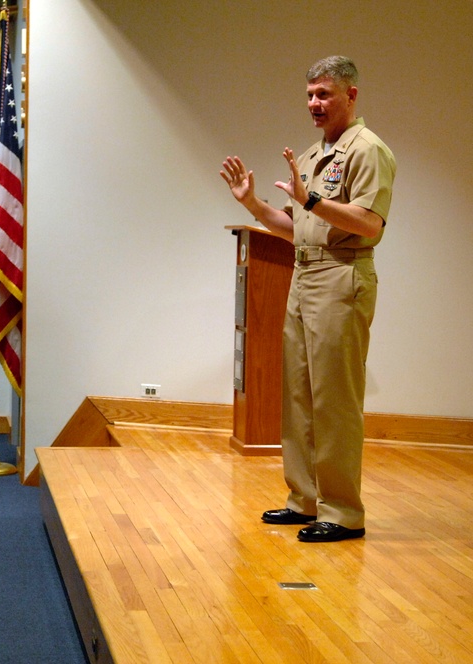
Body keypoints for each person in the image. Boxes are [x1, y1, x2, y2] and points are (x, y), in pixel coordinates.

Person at [220, 55, 396, 543]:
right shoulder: (314, 153)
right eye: (310, 95)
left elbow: (369, 224)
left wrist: (312, 200)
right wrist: (253, 204)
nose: (314, 104)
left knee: (334, 399)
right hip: (304, 275)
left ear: (350, 95)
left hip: (342, 275)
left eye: (324, 94)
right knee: (298, 394)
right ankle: (305, 499)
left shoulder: (368, 150)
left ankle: (343, 512)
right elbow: (295, 226)